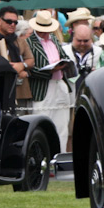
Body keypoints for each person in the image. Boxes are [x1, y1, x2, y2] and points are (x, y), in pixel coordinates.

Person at [27, 10, 74, 154]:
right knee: (42, 124)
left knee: (62, 125)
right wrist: (49, 71)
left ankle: (59, 157)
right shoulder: (29, 42)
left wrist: (63, 64)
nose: (45, 33)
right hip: (42, 88)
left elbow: (64, 55)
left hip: (60, 84)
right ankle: (42, 157)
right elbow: (30, 69)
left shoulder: (54, 39)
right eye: (42, 30)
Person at [0, 6, 34, 108]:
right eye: (9, 21)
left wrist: (22, 65)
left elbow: (31, 60)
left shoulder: (18, 40)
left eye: (15, 22)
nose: (12, 25)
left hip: (19, 91)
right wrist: (15, 69)